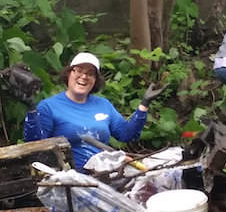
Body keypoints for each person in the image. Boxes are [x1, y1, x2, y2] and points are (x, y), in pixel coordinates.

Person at [23, 52, 165, 170]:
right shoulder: (48, 107)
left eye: (90, 73)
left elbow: (128, 135)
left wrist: (144, 104)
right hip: (71, 180)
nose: (84, 76)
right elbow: (36, 146)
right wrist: (31, 110)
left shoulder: (103, 104)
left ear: (95, 80)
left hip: (105, 175)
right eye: (78, 70)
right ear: (68, 74)